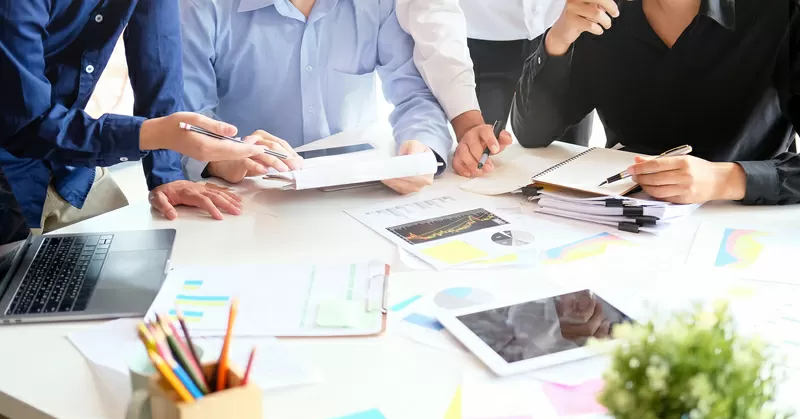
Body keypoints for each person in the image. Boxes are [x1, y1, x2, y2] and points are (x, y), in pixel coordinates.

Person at [0, 0, 269, 235]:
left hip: (68, 163)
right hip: (11, 168)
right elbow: (23, 123)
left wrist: (167, 176)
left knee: (155, 255)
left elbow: (159, 66)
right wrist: (153, 135)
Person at [512, 0, 800, 205]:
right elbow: (533, 133)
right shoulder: (603, 14)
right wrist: (559, 38)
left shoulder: (781, 11)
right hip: (622, 220)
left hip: (745, 227)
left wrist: (725, 180)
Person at [180, 0, 453, 195]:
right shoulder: (200, 8)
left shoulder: (379, 4)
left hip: (360, 190)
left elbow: (414, 96)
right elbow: (184, 119)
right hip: (253, 194)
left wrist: (423, 150)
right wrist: (219, 159)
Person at [396, 0, 513, 178]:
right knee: (482, 161)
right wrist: (467, 122)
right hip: (470, 41)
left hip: (560, 32)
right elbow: (433, 11)